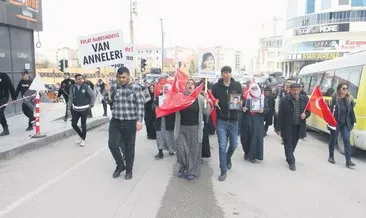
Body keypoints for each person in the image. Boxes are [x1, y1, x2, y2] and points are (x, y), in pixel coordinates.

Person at [108, 67, 144, 180]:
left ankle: (129, 170)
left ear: (128, 75)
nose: (121, 80)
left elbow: (140, 104)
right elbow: (110, 102)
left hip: (130, 121)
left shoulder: (136, 87)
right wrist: (106, 92)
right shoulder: (114, 86)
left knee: (129, 148)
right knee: (112, 145)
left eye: (123, 77)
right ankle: (120, 165)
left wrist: (139, 120)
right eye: (119, 77)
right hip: (116, 120)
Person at [174, 78, 211, 180]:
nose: (190, 85)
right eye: (188, 83)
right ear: (185, 86)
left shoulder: (199, 98)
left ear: (195, 87)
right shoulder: (180, 97)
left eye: (192, 84)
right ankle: (183, 167)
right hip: (181, 128)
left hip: (194, 129)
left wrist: (206, 102)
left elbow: (207, 112)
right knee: (181, 150)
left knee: (193, 151)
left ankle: (192, 171)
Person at [212, 66, 242, 181]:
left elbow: (241, 98)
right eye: (225, 73)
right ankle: (223, 170)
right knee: (222, 146)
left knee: (234, 144)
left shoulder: (237, 85)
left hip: (234, 120)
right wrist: (213, 101)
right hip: (222, 120)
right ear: (222, 74)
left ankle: (228, 157)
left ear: (231, 74)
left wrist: (240, 102)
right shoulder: (216, 87)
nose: (227, 74)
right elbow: (212, 99)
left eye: (229, 72)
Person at [277, 83, 310, 171]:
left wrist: (305, 115)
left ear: (300, 90)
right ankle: (291, 161)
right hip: (287, 126)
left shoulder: (304, 99)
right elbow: (280, 115)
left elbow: (308, 111)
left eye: (297, 90)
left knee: (293, 144)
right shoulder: (284, 100)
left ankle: (289, 155)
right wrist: (278, 128)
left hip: (298, 126)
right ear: (290, 90)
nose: (296, 92)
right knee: (288, 144)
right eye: (294, 90)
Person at [328, 83, 356, 168]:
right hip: (336, 123)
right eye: (343, 88)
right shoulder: (335, 98)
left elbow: (351, 111)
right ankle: (331, 156)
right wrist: (329, 121)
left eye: (347, 88)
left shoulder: (349, 99)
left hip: (345, 123)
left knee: (347, 140)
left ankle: (348, 161)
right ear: (339, 89)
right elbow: (331, 110)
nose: (345, 90)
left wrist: (354, 121)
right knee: (333, 139)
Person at [242, 82, 268, 162]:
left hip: (258, 121)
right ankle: (247, 153)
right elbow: (239, 106)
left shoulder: (262, 98)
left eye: (255, 88)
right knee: (246, 138)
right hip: (247, 120)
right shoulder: (246, 97)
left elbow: (268, 109)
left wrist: (263, 110)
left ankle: (253, 156)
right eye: (252, 88)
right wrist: (243, 109)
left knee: (255, 138)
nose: (254, 90)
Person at [67, 74, 96, 147]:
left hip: (85, 109)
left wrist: (91, 104)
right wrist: (68, 108)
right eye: (79, 79)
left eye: (81, 79)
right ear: (75, 80)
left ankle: (83, 139)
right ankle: (81, 135)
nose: (81, 80)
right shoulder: (72, 87)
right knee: (73, 124)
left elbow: (93, 95)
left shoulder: (86, 87)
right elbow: (70, 98)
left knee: (83, 125)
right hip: (76, 109)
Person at [153, 84, 175, 159]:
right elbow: (153, 107)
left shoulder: (172, 98)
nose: (165, 90)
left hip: (169, 121)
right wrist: (156, 105)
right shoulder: (159, 97)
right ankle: (160, 151)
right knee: (160, 136)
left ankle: (171, 149)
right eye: (165, 89)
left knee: (169, 135)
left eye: (167, 89)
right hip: (160, 120)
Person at [0, 72, 16, 136]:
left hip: (4, 97)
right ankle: (6, 130)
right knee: (0, 113)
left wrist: (14, 97)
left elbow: (11, 86)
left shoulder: (3, 76)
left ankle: (6, 129)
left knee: (0, 112)